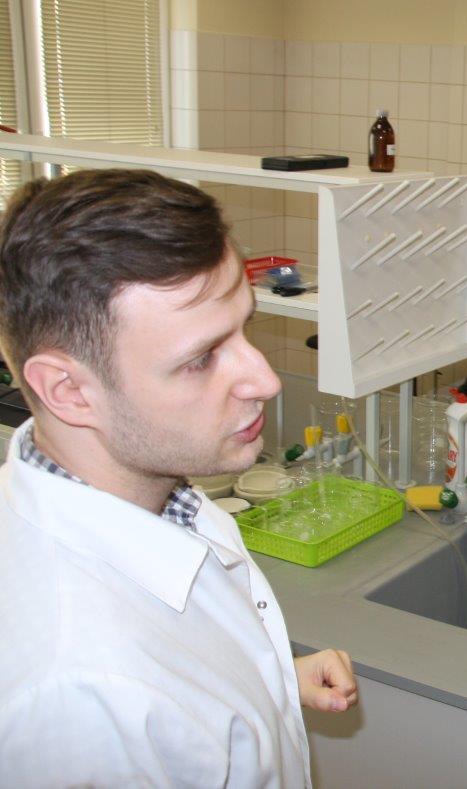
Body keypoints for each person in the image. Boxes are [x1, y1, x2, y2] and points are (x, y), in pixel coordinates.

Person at [0, 169, 357, 785]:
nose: (265, 380)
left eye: (244, 328)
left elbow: (174, 673)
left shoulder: (156, 493)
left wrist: (262, 679)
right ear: (69, 391)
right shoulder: (80, 699)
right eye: (200, 359)